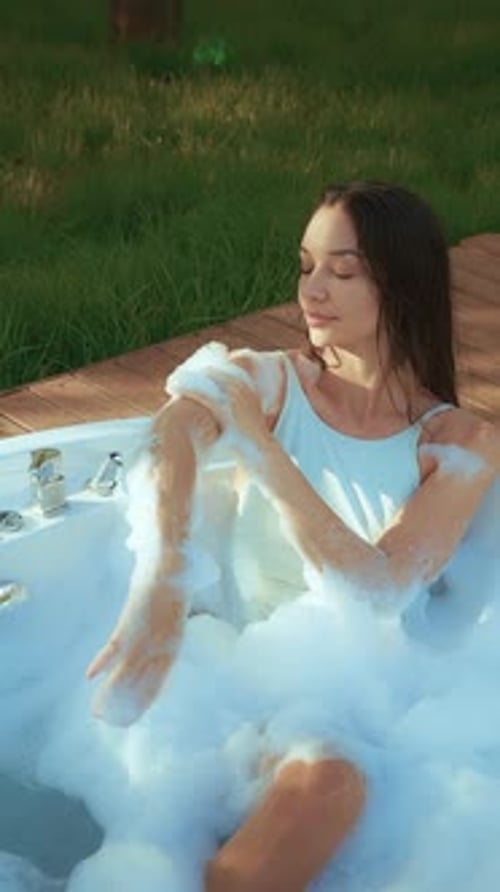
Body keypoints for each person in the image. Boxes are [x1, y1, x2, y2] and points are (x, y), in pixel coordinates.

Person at [86, 181, 499, 892]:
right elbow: (173, 434)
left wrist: (263, 452)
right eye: (306, 266)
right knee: (328, 788)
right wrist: (162, 581)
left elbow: (380, 588)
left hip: (360, 707)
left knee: (332, 786)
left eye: (342, 271)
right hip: (225, 683)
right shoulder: (274, 382)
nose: (313, 290)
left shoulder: (459, 444)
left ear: (403, 286)